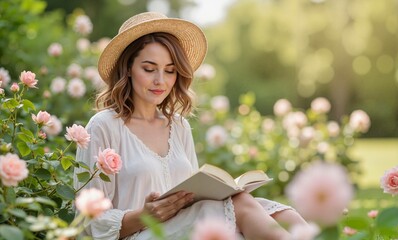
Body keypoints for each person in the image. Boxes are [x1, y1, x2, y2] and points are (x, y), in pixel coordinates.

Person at [74, 12, 308, 240]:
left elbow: (195, 197)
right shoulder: (103, 126)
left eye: (170, 70)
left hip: (182, 227)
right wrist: (143, 216)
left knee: (283, 214)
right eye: (149, 69)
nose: (160, 80)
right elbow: (87, 221)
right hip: (139, 234)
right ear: (127, 69)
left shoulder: (179, 126)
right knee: (239, 207)